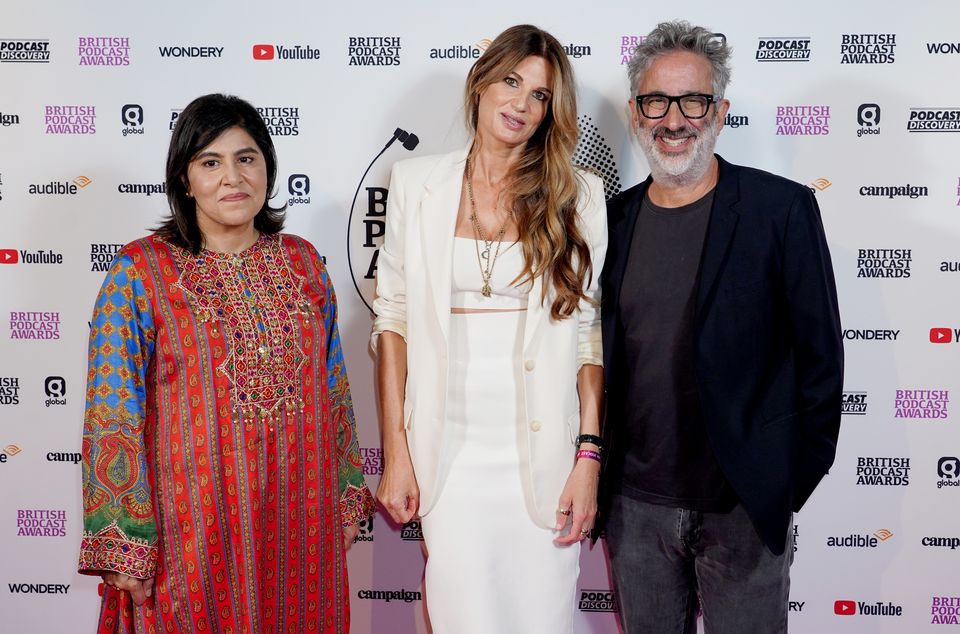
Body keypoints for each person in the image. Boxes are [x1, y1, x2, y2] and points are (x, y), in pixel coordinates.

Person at [77, 93, 374, 632]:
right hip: (190, 530)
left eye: (247, 158)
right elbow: (113, 412)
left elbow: (333, 387)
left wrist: (347, 495)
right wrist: (125, 540)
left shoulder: (303, 263)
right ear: (185, 180)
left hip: (298, 522)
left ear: (267, 167)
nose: (232, 177)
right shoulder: (141, 273)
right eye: (210, 162)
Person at [598, 21, 843, 634]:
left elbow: (822, 360)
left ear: (721, 111)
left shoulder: (780, 210)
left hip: (744, 510)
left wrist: (781, 484)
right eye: (657, 101)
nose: (674, 119)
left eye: (694, 101)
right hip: (636, 511)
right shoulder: (611, 221)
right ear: (635, 112)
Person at [372, 24, 607, 634]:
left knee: (545, 619)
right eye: (511, 81)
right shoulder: (415, 184)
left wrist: (588, 458)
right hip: (448, 451)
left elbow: (587, 336)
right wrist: (396, 452)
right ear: (480, 81)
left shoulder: (578, 195)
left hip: (544, 455)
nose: (521, 104)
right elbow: (391, 323)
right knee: (463, 617)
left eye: (540, 95)